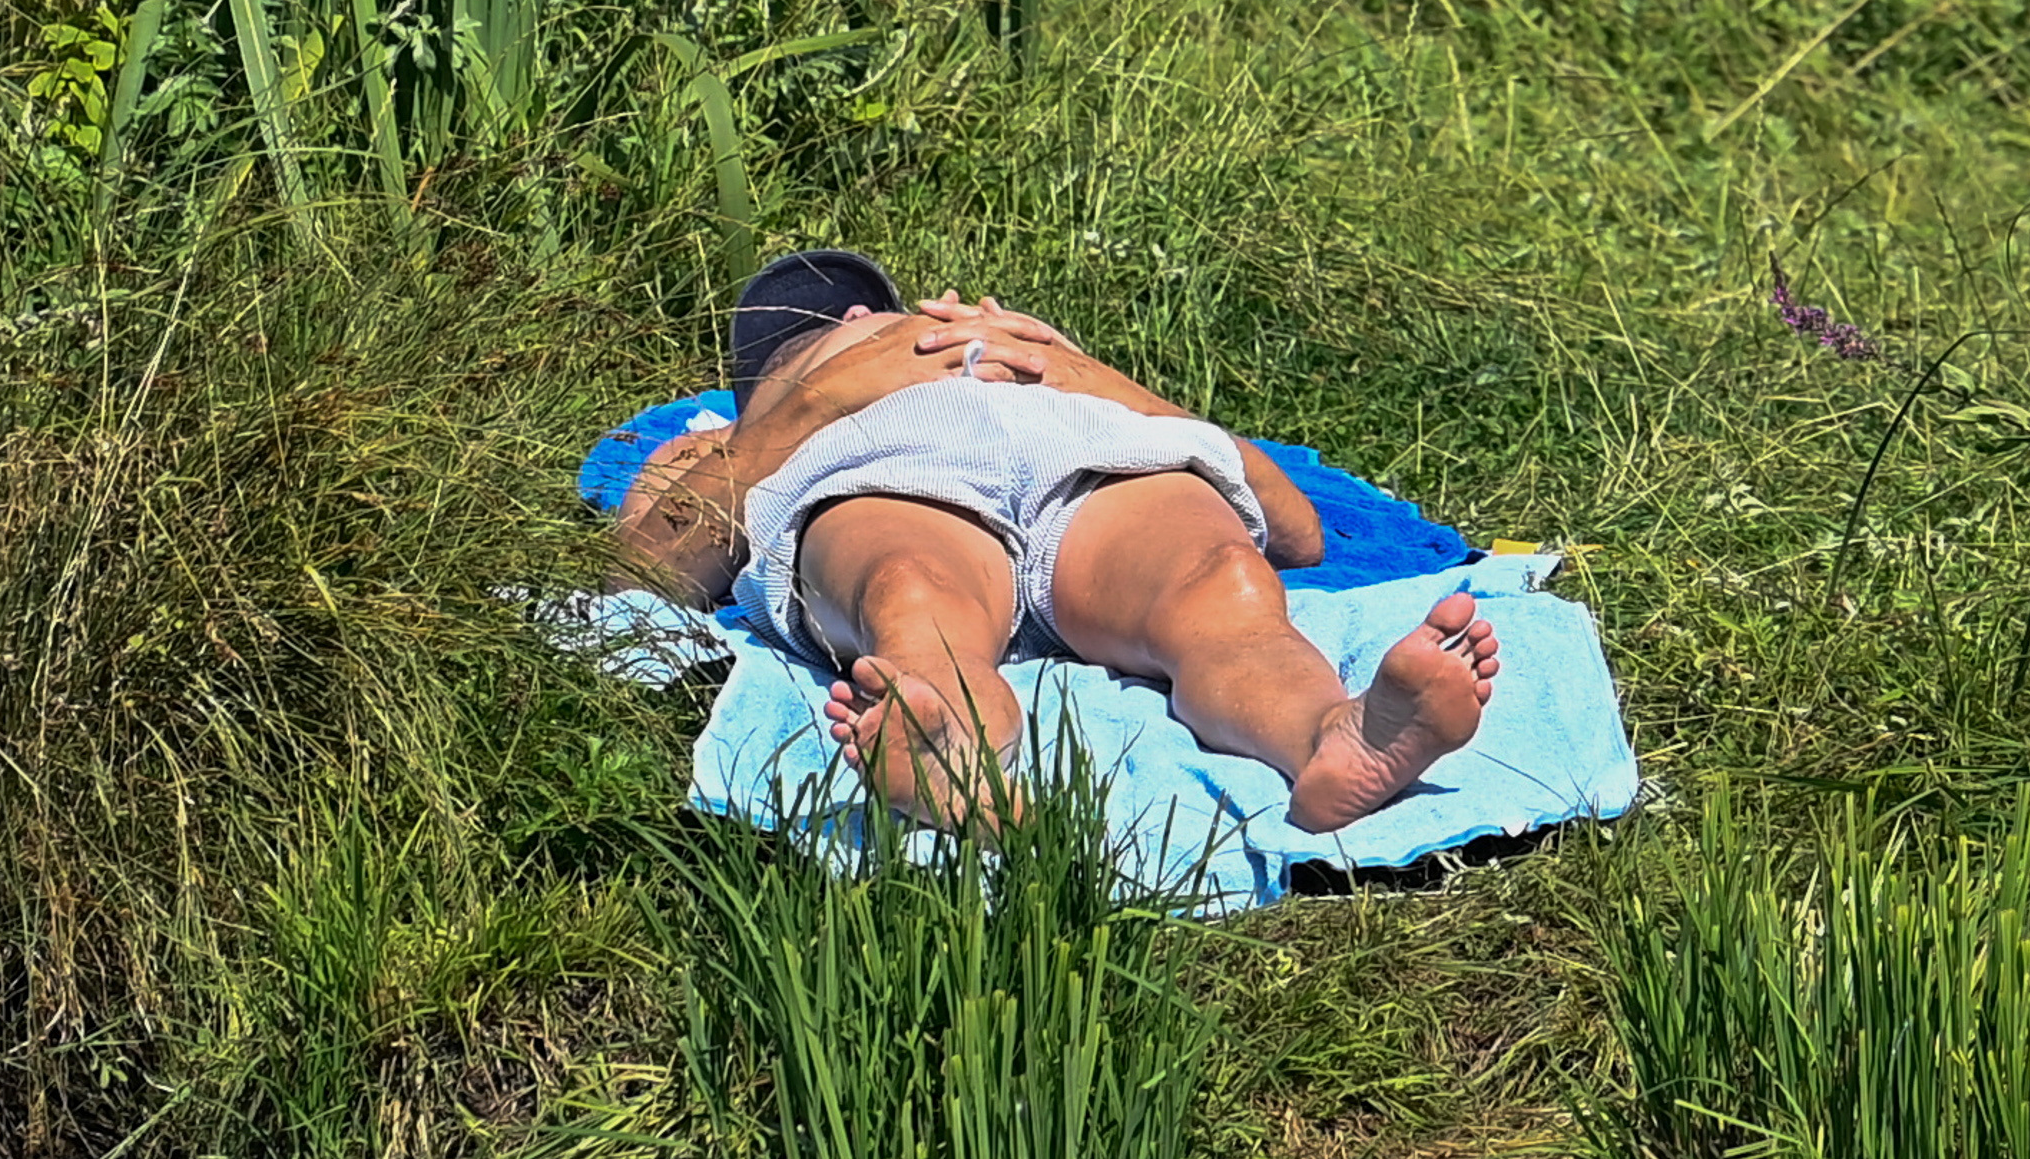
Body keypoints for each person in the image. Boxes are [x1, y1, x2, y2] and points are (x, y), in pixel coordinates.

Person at [613, 246, 1497, 832]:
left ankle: (1331, 734)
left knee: (1222, 576)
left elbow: (1295, 532)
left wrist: (1101, 382)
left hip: (1086, 443)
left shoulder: (1051, 363)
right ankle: (951, 749)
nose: (869, 324)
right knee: (913, 590)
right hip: (873, 459)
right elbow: (635, 576)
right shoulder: (728, 428)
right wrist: (811, 400)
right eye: (831, 330)